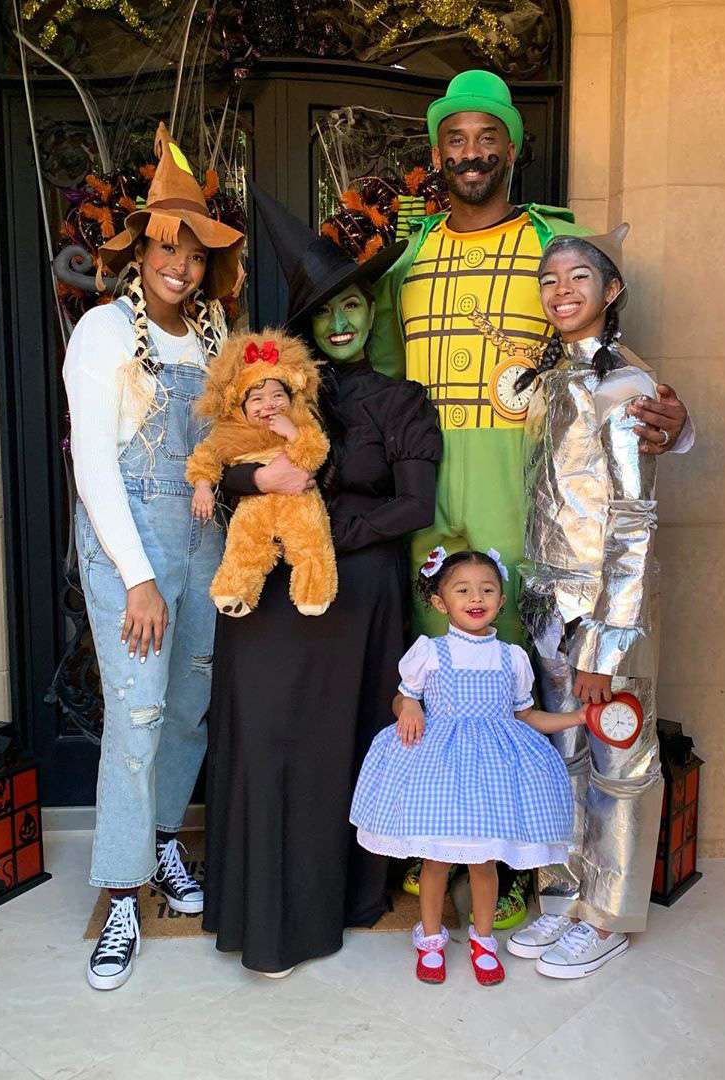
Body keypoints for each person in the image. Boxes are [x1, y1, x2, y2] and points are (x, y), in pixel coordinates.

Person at [367, 68, 695, 930]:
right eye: (456, 139)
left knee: (517, 654)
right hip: (427, 474)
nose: (472, 154)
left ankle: (516, 863)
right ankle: (439, 840)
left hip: (532, 485)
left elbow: (613, 384)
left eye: (488, 137)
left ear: (513, 144)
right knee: (441, 654)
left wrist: (673, 423)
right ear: (438, 150)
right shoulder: (408, 256)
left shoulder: (559, 246)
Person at [202, 190, 442, 976]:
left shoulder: (403, 402)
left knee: (336, 747)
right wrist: (249, 477)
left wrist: (333, 531)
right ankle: (258, 914)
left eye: (352, 306)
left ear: (370, 310)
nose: (340, 324)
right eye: (325, 312)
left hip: (358, 600)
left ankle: (331, 903)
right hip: (268, 596)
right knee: (267, 735)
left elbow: (414, 506)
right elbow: (225, 460)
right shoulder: (277, 392)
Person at [63, 123, 244, 990]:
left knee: (185, 713)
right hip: (129, 550)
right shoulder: (102, 331)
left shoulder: (214, 332)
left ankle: (167, 844)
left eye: (196, 252)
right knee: (134, 722)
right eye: (168, 247)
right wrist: (139, 578)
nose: (182, 266)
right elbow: (95, 466)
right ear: (141, 251)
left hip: (203, 547)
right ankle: (124, 892)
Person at [504, 225, 662, 978]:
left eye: (577, 277)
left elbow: (633, 520)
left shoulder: (627, 385)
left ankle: (607, 913)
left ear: (611, 291)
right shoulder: (553, 380)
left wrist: (607, 644)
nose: (561, 291)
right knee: (557, 754)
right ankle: (563, 895)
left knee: (615, 761)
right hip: (547, 607)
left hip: (603, 617)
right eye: (548, 280)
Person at [351, 549, 584, 986]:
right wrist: (410, 706)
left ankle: (482, 939)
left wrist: (575, 718)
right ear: (441, 602)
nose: (476, 597)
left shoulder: (510, 657)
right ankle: (432, 938)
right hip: (441, 769)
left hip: (492, 775)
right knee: (436, 861)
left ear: (500, 598)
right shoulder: (429, 652)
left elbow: (525, 715)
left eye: (487, 589)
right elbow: (402, 697)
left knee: (484, 862)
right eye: (463, 590)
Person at [187, 332, 337, 616]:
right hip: (254, 506)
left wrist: (292, 432)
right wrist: (203, 487)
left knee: (311, 540)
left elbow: (316, 452)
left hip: (299, 501)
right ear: (240, 407)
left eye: (278, 396)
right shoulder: (230, 433)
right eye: (257, 399)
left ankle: (315, 592)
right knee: (244, 544)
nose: (269, 405)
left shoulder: (301, 423)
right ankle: (234, 591)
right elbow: (206, 457)